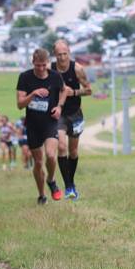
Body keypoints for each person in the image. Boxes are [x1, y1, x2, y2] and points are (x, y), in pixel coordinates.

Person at [16, 48, 67, 204]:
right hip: (32, 125)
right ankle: (41, 194)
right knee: (38, 162)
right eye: (38, 65)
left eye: (44, 65)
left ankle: (51, 181)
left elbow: (64, 91)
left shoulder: (55, 76)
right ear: (33, 62)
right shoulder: (25, 77)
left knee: (51, 155)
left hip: (50, 123)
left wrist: (59, 107)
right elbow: (19, 104)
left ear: (47, 63)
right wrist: (33, 94)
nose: (41, 68)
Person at [52, 40, 93, 200]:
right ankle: (68, 185)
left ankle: (71, 183)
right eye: (59, 55)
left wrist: (73, 93)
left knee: (73, 151)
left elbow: (89, 90)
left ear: (69, 52)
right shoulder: (51, 69)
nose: (62, 58)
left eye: (65, 54)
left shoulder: (77, 69)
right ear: (54, 55)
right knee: (61, 147)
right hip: (59, 114)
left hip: (75, 113)